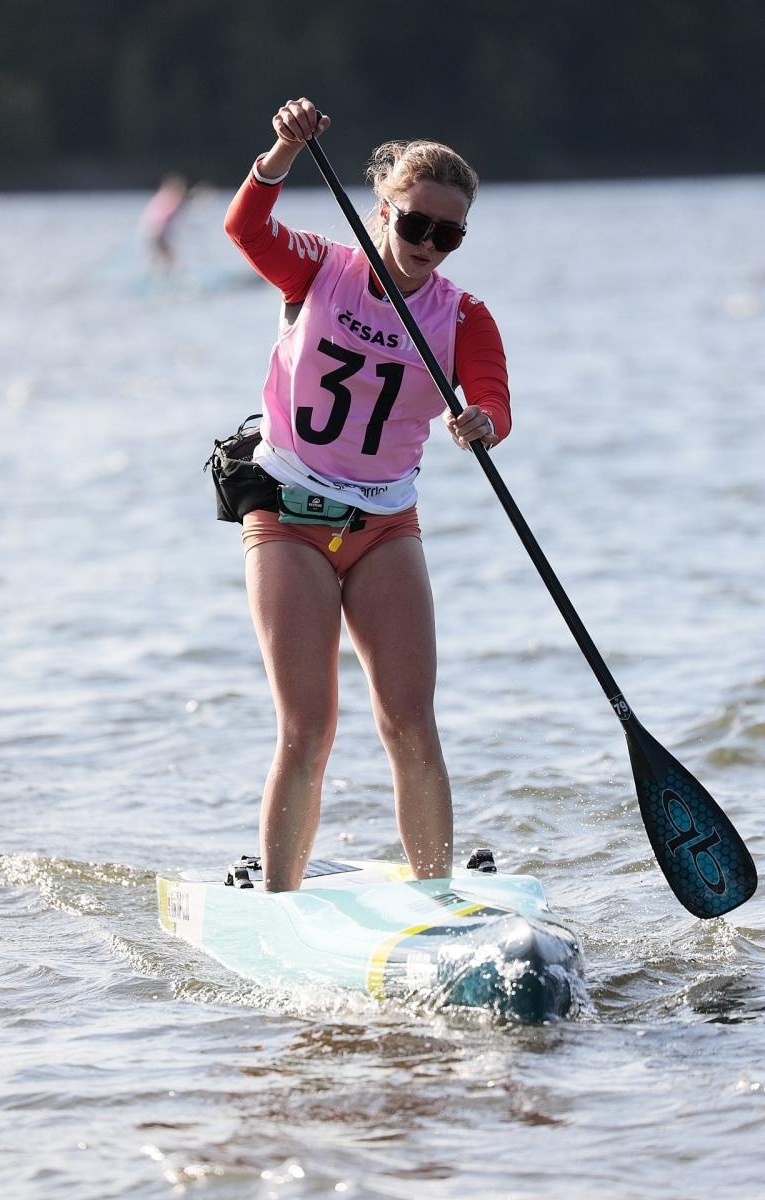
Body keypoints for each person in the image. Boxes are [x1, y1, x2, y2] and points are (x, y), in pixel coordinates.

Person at [224, 98, 511, 891]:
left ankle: (437, 898)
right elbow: (245, 231)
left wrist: (482, 420)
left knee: (411, 723)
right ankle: (280, 904)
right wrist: (282, 148)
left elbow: (493, 397)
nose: (428, 246)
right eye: (416, 225)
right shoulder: (321, 267)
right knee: (308, 726)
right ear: (383, 209)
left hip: (386, 523)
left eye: (447, 236)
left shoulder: (463, 316)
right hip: (287, 512)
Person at [139, 174, 189, 271]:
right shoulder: (171, 200)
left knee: (156, 261)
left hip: (148, 232)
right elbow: (169, 214)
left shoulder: (160, 196)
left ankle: (155, 275)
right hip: (157, 233)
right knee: (169, 260)